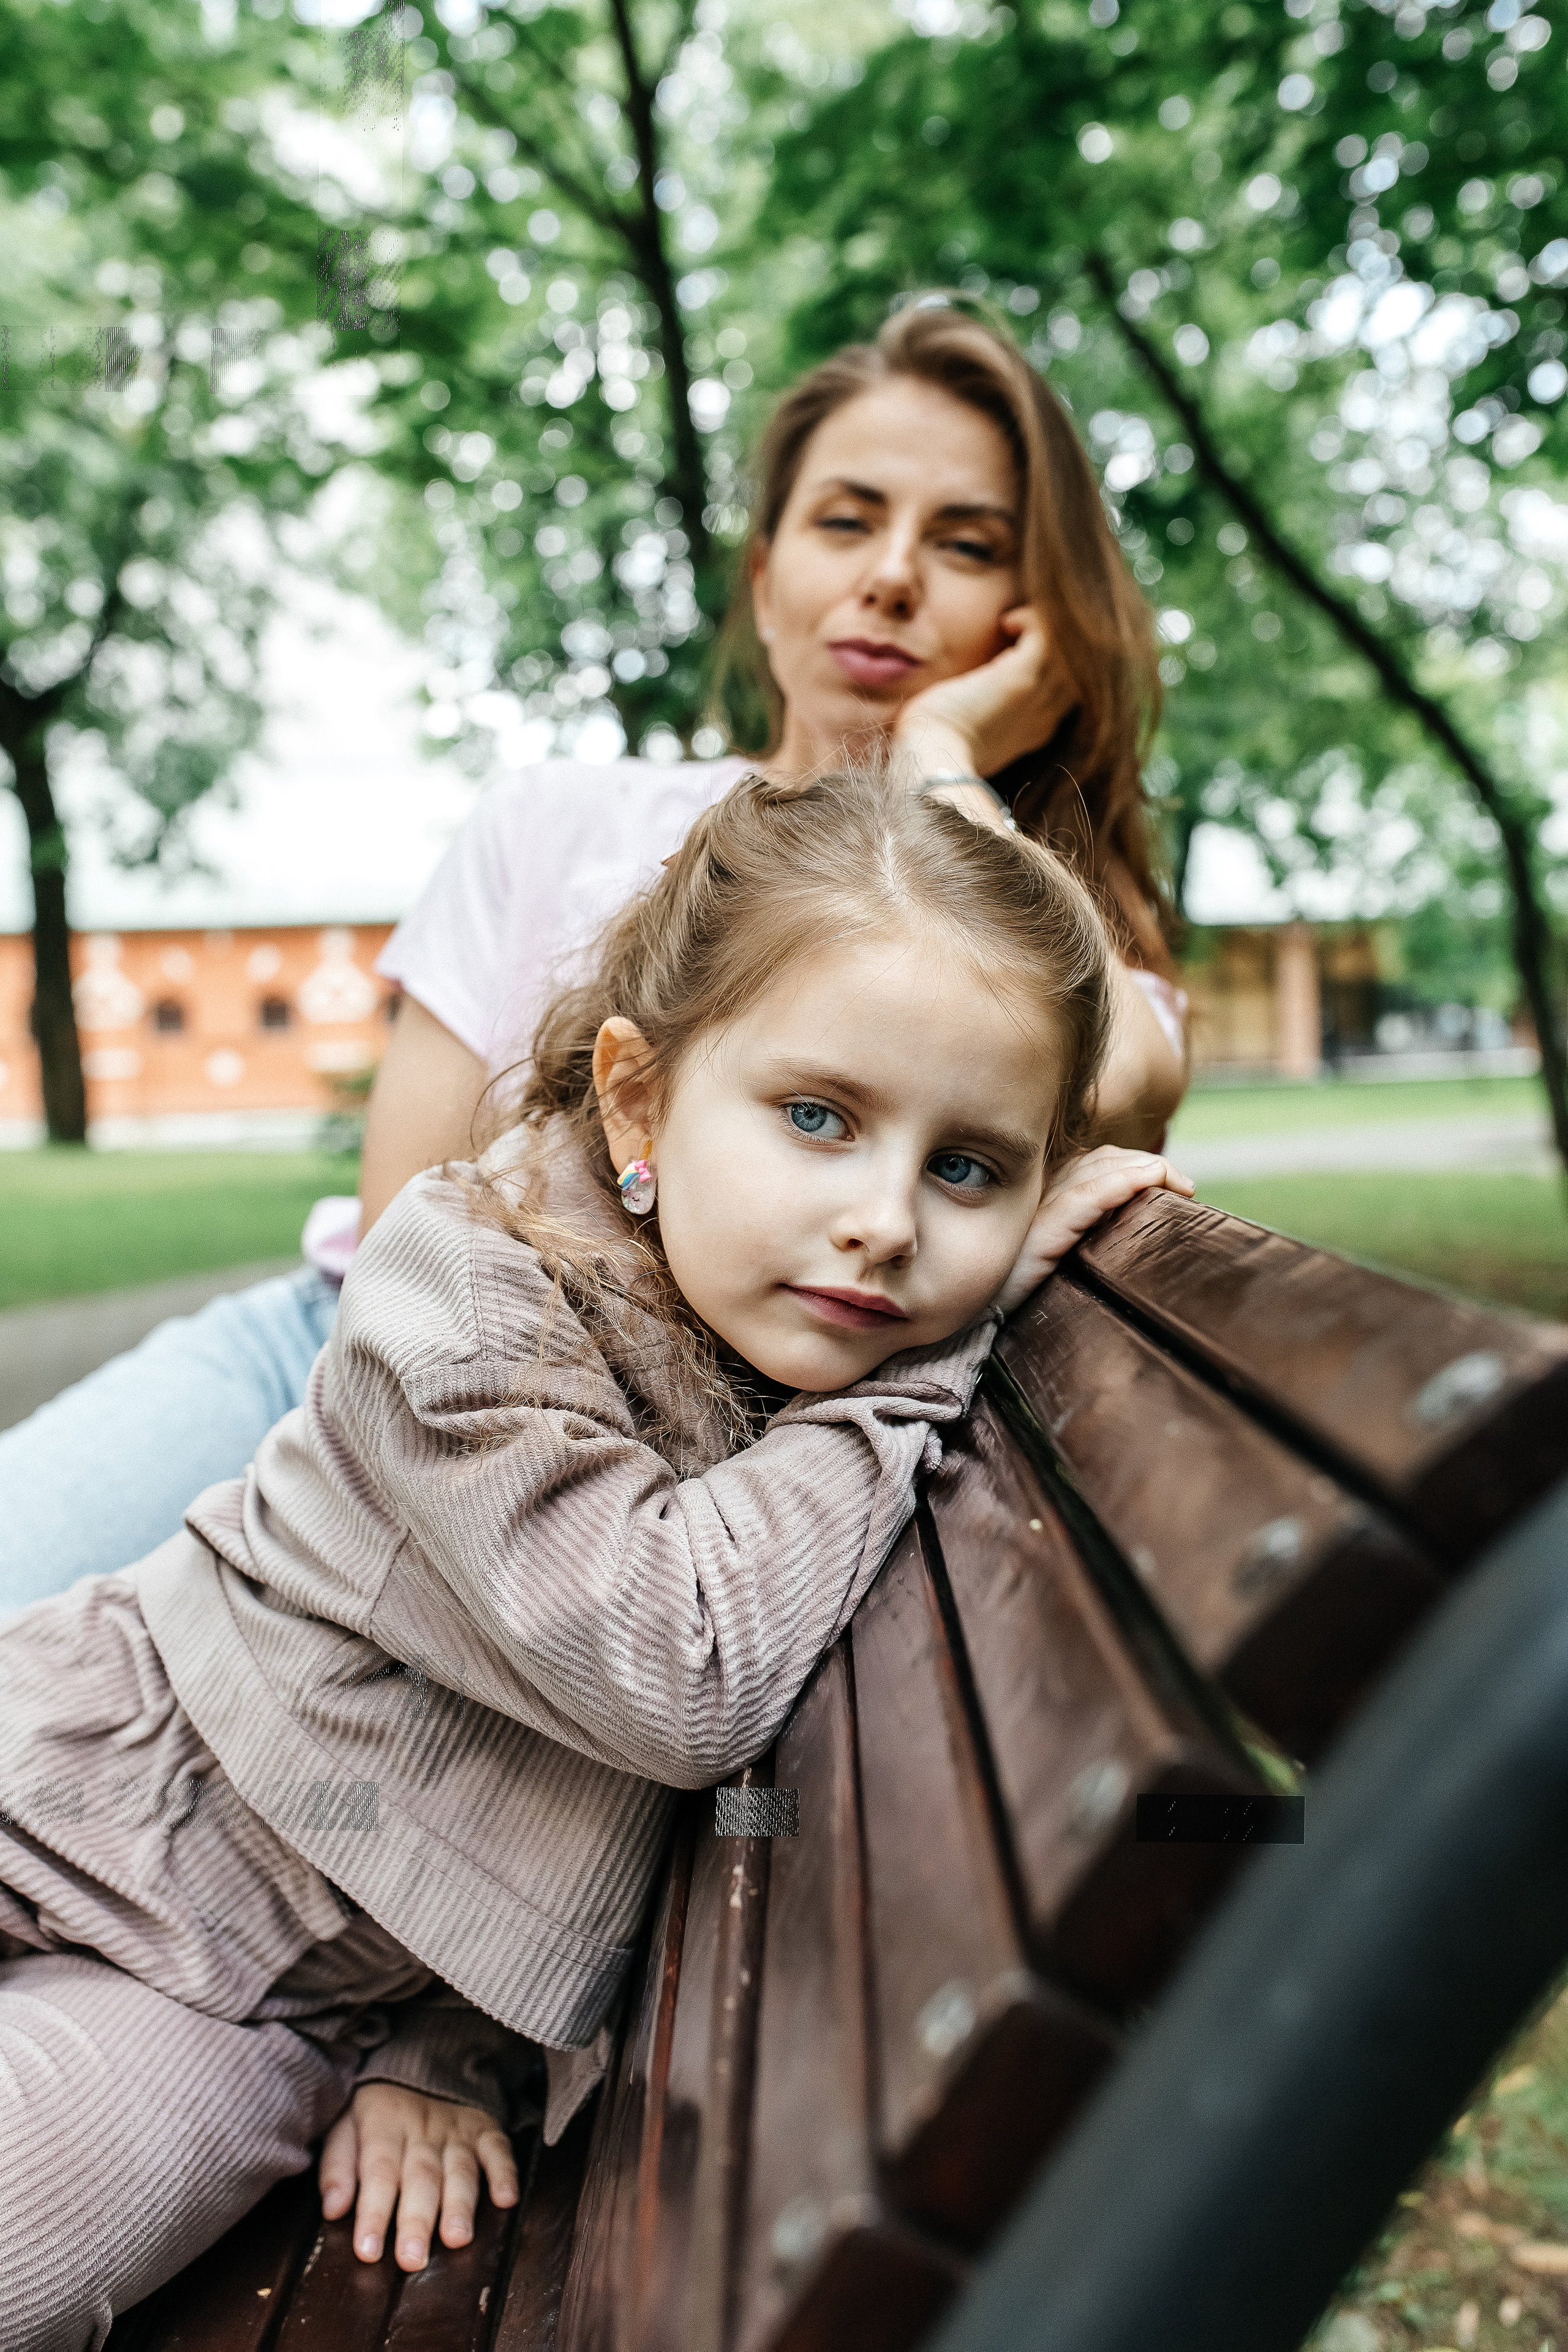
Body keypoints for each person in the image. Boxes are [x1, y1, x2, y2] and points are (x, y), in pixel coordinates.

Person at [0, 769, 1193, 2349]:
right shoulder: (462, 1291)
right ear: (637, 1100)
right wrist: (934, 1361)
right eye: (818, 1118)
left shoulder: (815, 1410)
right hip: (80, 1797)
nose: (884, 1223)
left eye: (967, 1167)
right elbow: (667, 1663)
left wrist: (445, 2050)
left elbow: (593, 1807)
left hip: (267, 2015)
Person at [0, 295, 1188, 1619]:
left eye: (965, 546)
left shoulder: (1038, 952)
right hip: (339, 1358)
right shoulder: (554, 818)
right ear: (763, 573)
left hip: (625, 1503)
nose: (894, 575)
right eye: (844, 521)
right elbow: (405, 1234)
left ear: (1035, 626)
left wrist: (939, 759)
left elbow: (1123, 1073)